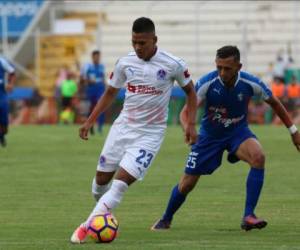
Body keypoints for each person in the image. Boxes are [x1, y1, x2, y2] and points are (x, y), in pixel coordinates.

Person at [70, 17, 197, 243]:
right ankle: (103, 212)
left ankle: (85, 227)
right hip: (122, 128)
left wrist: (191, 124)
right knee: (100, 182)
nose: (138, 47)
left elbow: (191, 93)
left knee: (119, 184)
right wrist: (90, 120)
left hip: (150, 135)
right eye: (134, 42)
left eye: (142, 43)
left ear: (154, 40)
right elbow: (110, 93)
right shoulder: (124, 63)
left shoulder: (173, 64)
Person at [151, 45, 300, 232]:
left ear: (239, 66)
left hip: (238, 133)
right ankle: (166, 219)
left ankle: (248, 216)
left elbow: (275, 103)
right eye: (219, 67)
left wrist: (294, 131)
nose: (222, 72)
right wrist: (188, 128)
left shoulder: (250, 83)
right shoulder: (207, 82)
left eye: (227, 68)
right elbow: (185, 112)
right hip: (209, 137)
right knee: (187, 184)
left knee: (258, 156)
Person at [80, 50, 106, 134]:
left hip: (100, 89)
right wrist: (88, 80)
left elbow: (103, 78)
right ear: (92, 57)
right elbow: (82, 78)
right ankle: (90, 126)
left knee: (101, 108)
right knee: (91, 109)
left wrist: (105, 87)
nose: (97, 58)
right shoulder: (87, 66)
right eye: (96, 56)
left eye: (99, 57)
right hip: (91, 89)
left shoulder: (102, 66)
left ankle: (100, 128)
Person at [0, 55, 16, 147]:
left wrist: (10, 84)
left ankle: (2, 135)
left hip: (1, 94)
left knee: (4, 124)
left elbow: (12, 72)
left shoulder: (2, 61)